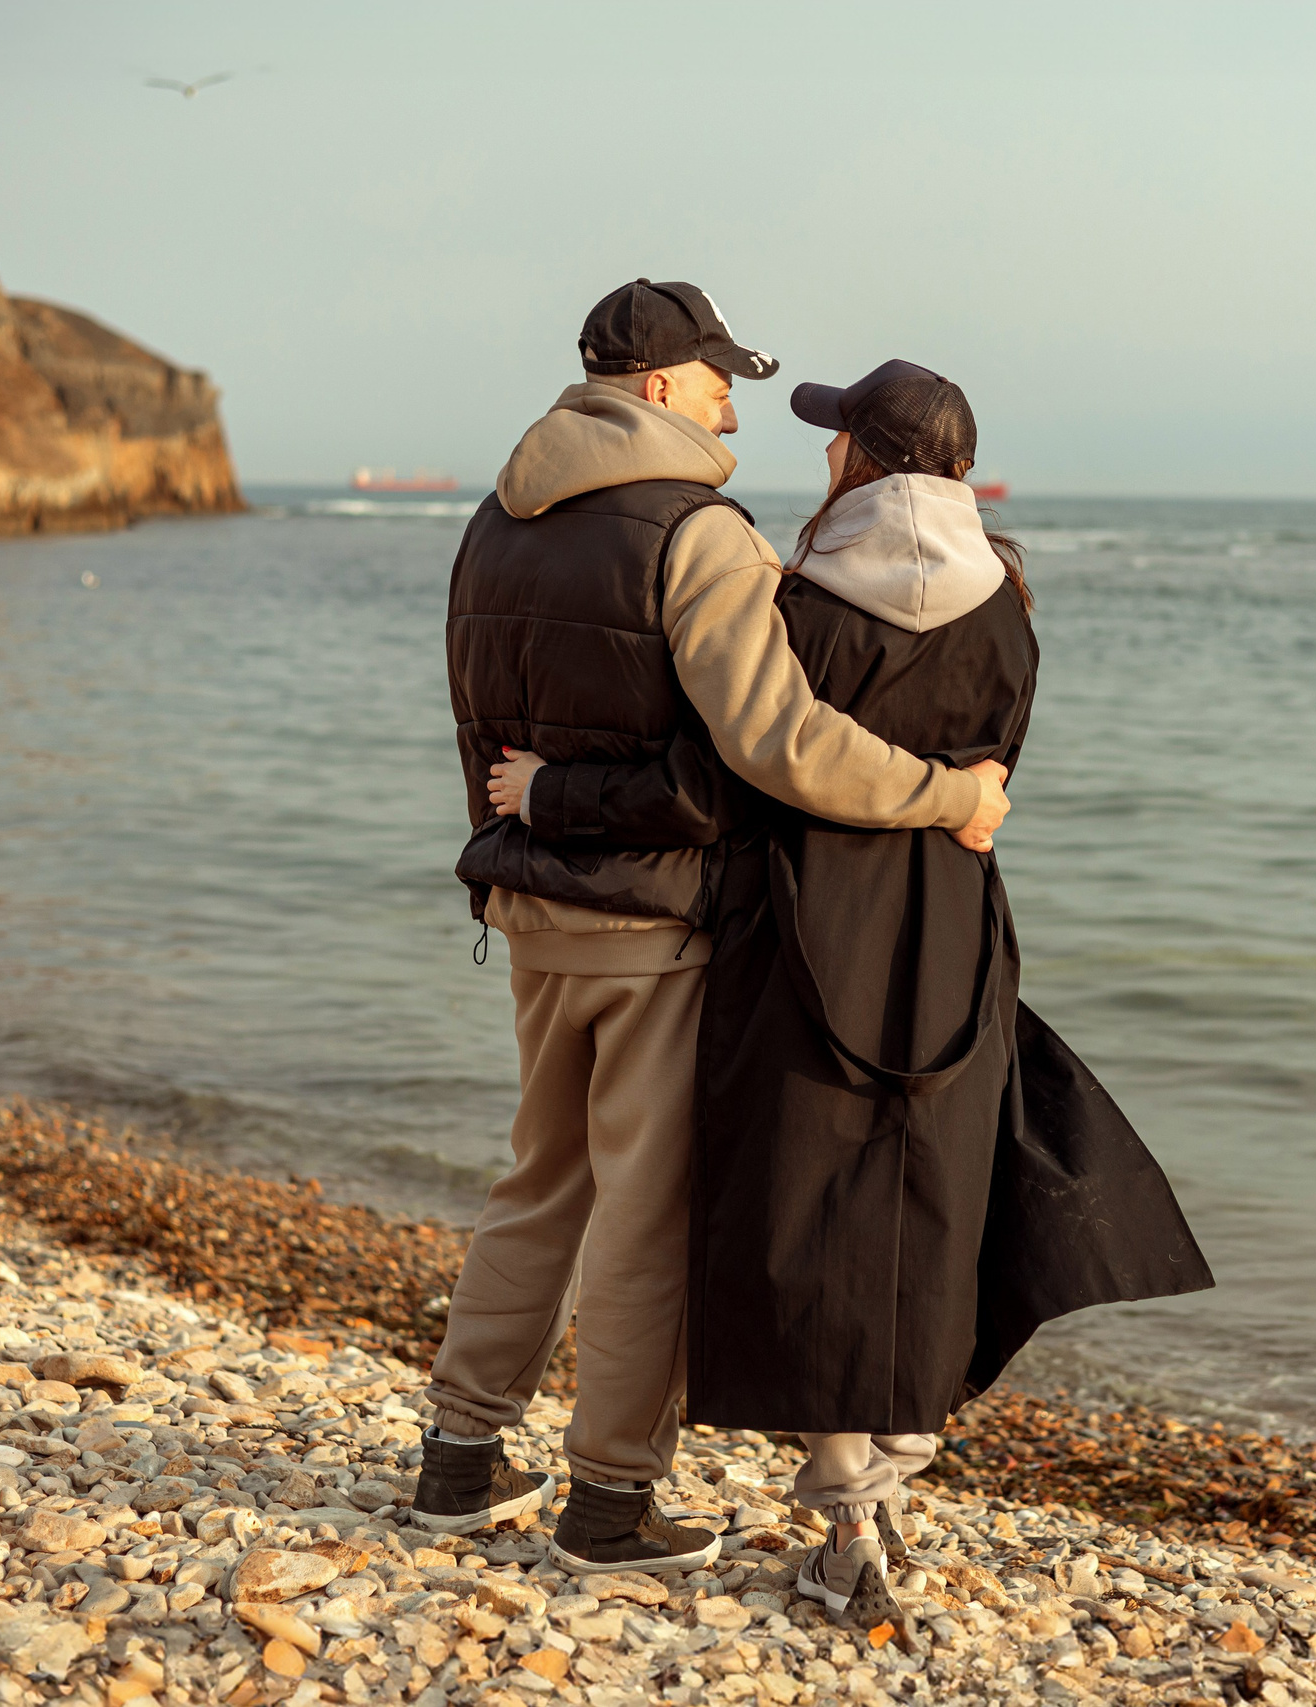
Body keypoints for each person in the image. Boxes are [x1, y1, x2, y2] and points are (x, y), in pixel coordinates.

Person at [505, 360, 1213, 1628]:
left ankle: (838, 1513)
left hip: (798, 938)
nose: (821, 454)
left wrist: (548, 795)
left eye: (835, 439)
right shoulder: (1012, 608)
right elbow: (995, 785)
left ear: (865, 461)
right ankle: (879, 1489)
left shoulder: (800, 605)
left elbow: (718, 781)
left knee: (811, 1210)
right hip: (949, 938)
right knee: (931, 1204)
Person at [422, 286, 1013, 1577]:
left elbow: (478, 724)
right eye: (715, 379)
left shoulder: (493, 518)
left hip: (529, 902)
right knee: (643, 1211)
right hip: (655, 918)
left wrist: (530, 824)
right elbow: (777, 746)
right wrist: (953, 792)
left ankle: (457, 1456)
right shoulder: (698, 534)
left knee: (540, 1174)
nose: (733, 402)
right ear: (652, 389)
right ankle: (610, 1501)